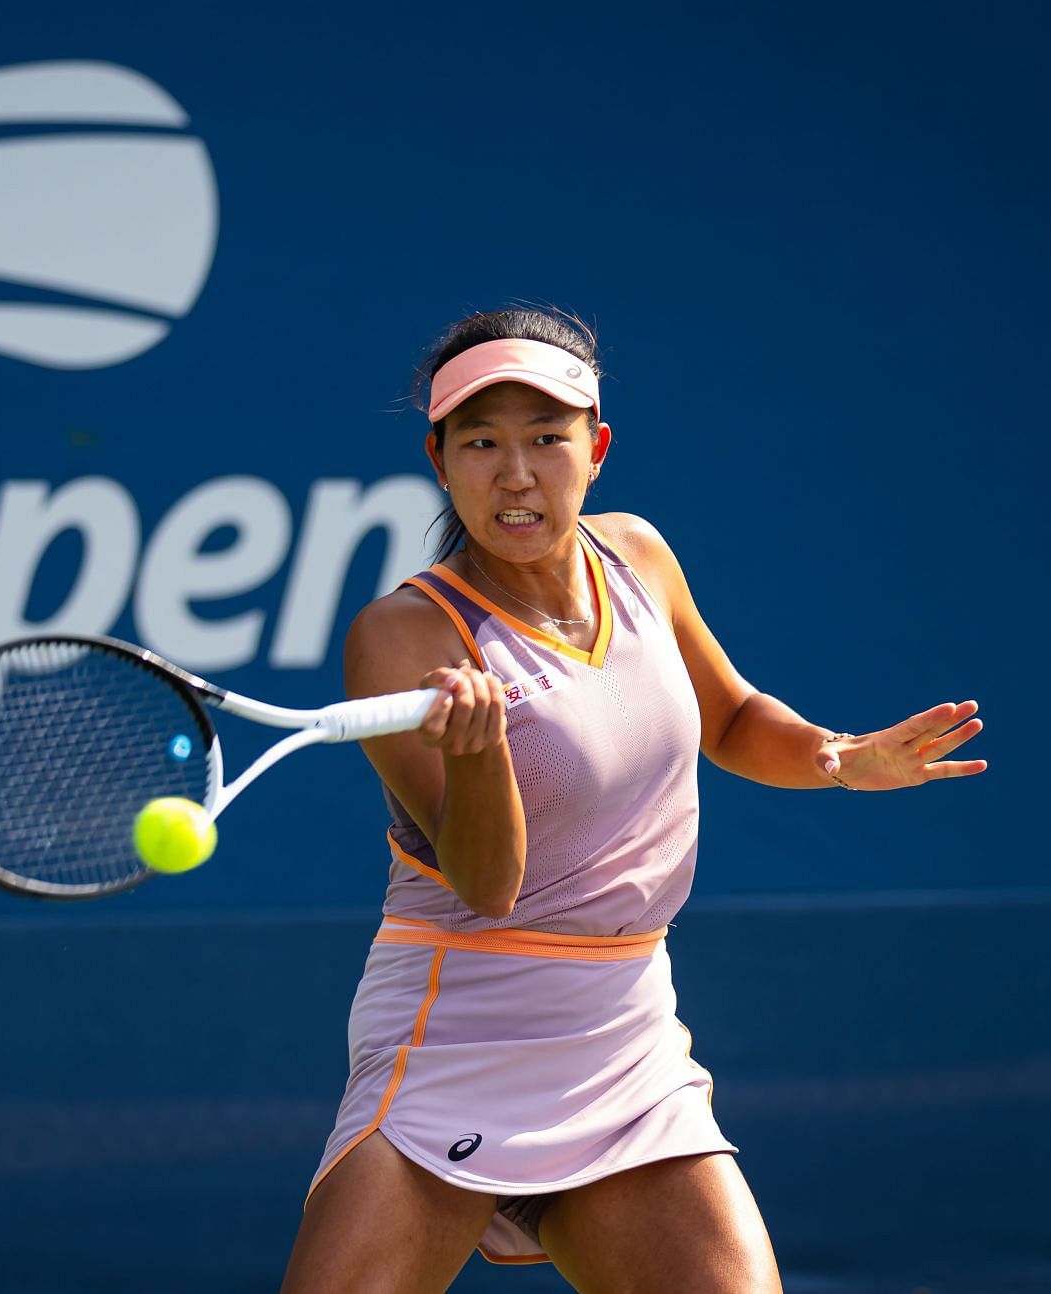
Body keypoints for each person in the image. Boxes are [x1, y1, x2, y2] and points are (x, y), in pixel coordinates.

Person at [279, 308, 987, 1294]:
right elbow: (487, 886)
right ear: (440, 461)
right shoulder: (402, 636)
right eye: (481, 443)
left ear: (596, 448)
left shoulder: (639, 558)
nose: (515, 473)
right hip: (459, 1024)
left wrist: (840, 757)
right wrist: (483, 759)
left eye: (546, 438)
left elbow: (731, 717)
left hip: (624, 1029)